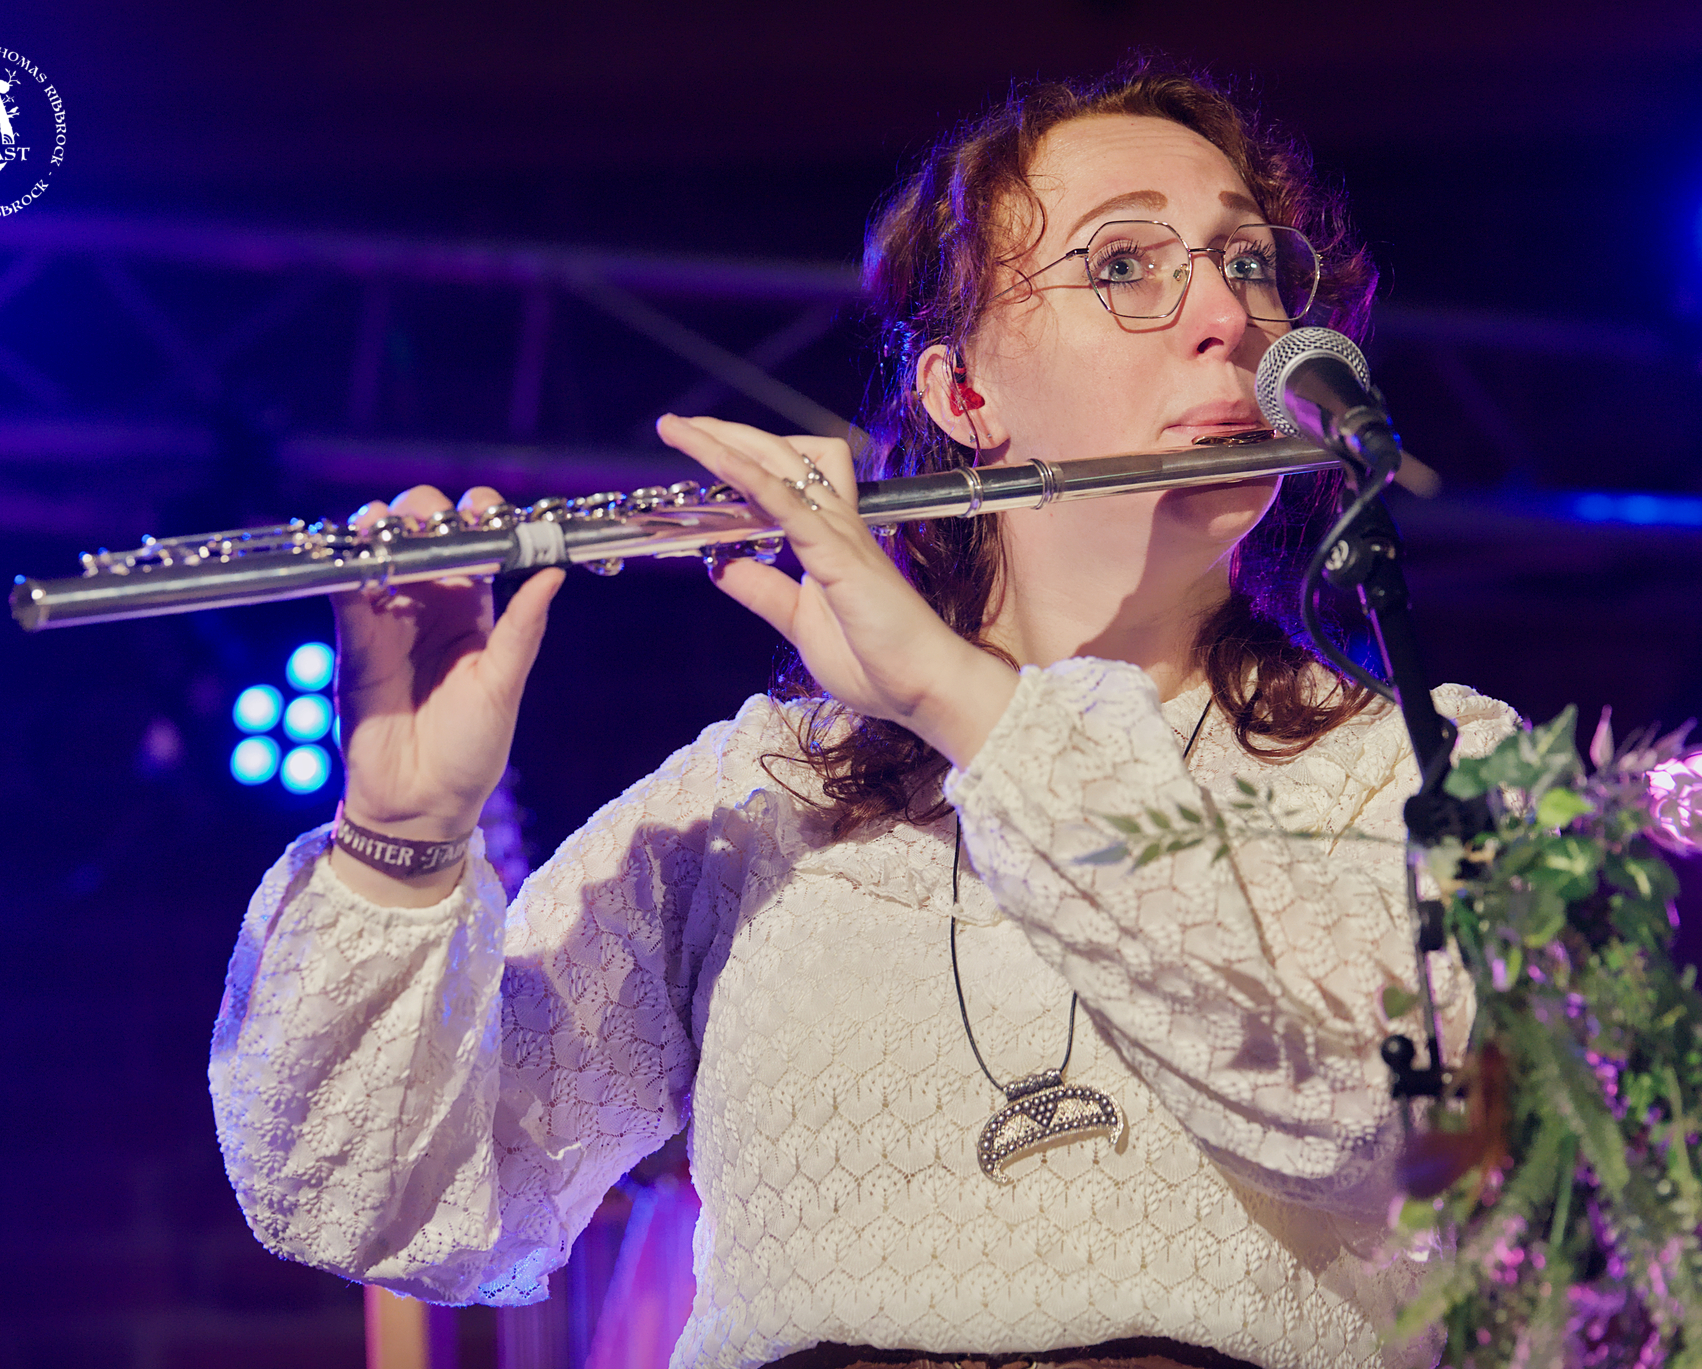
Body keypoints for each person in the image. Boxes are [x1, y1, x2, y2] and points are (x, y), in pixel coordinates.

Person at [209, 62, 1517, 1369]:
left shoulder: (1423, 768)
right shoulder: (761, 795)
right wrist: (398, 840)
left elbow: (1401, 1127)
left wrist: (958, 694)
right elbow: (385, 1206)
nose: (1230, 316)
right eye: (1125, 263)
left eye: (1249, 263)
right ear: (963, 394)